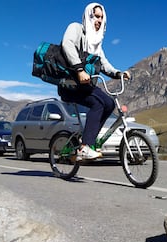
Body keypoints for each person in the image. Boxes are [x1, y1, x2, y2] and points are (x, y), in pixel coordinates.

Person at [59, 2, 131, 161]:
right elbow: (67, 44)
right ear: (88, 16)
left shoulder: (96, 44)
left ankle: (88, 142)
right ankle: (85, 147)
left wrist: (118, 73)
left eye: (101, 17)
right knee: (98, 104)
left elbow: (104, 63)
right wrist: (79, 69)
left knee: (110, 103)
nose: (99, 20)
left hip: (85, 87)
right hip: (69, 85)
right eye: (96, 16)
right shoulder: (77, 28)